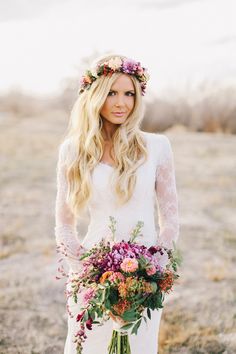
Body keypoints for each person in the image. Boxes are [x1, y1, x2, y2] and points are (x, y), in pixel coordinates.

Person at [54, 54, 179, 354]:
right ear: (96, 95)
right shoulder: (73, 150)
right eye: (112, 92)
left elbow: (170, 218)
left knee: (138, 346)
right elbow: (64, 223)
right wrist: (87, 273)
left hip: (144, 277)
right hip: (92, 273)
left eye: (129, 94)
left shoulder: (158, 147)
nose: (121, 102)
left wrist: (153, 270)